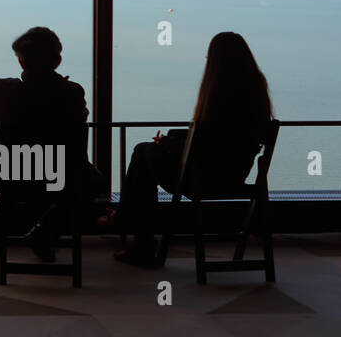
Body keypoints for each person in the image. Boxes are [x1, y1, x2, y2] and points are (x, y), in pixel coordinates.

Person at [107, 31, 273, 268]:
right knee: (146, 154)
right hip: (235, 176)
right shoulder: (255, 88)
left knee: (142, 153)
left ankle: (134, 233)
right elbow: (216, 139)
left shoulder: (218, 92)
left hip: (204, 178)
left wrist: (168, 142)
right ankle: (127, 223)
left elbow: (203, 143)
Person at [0, 27, 106, 262]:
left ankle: (41, 230)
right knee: (93, 181)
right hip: (63, 178)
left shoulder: (4, 91)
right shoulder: (72, 93)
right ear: (57, 61)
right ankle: (46, 229)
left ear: (22, 62)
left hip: (13, 176)